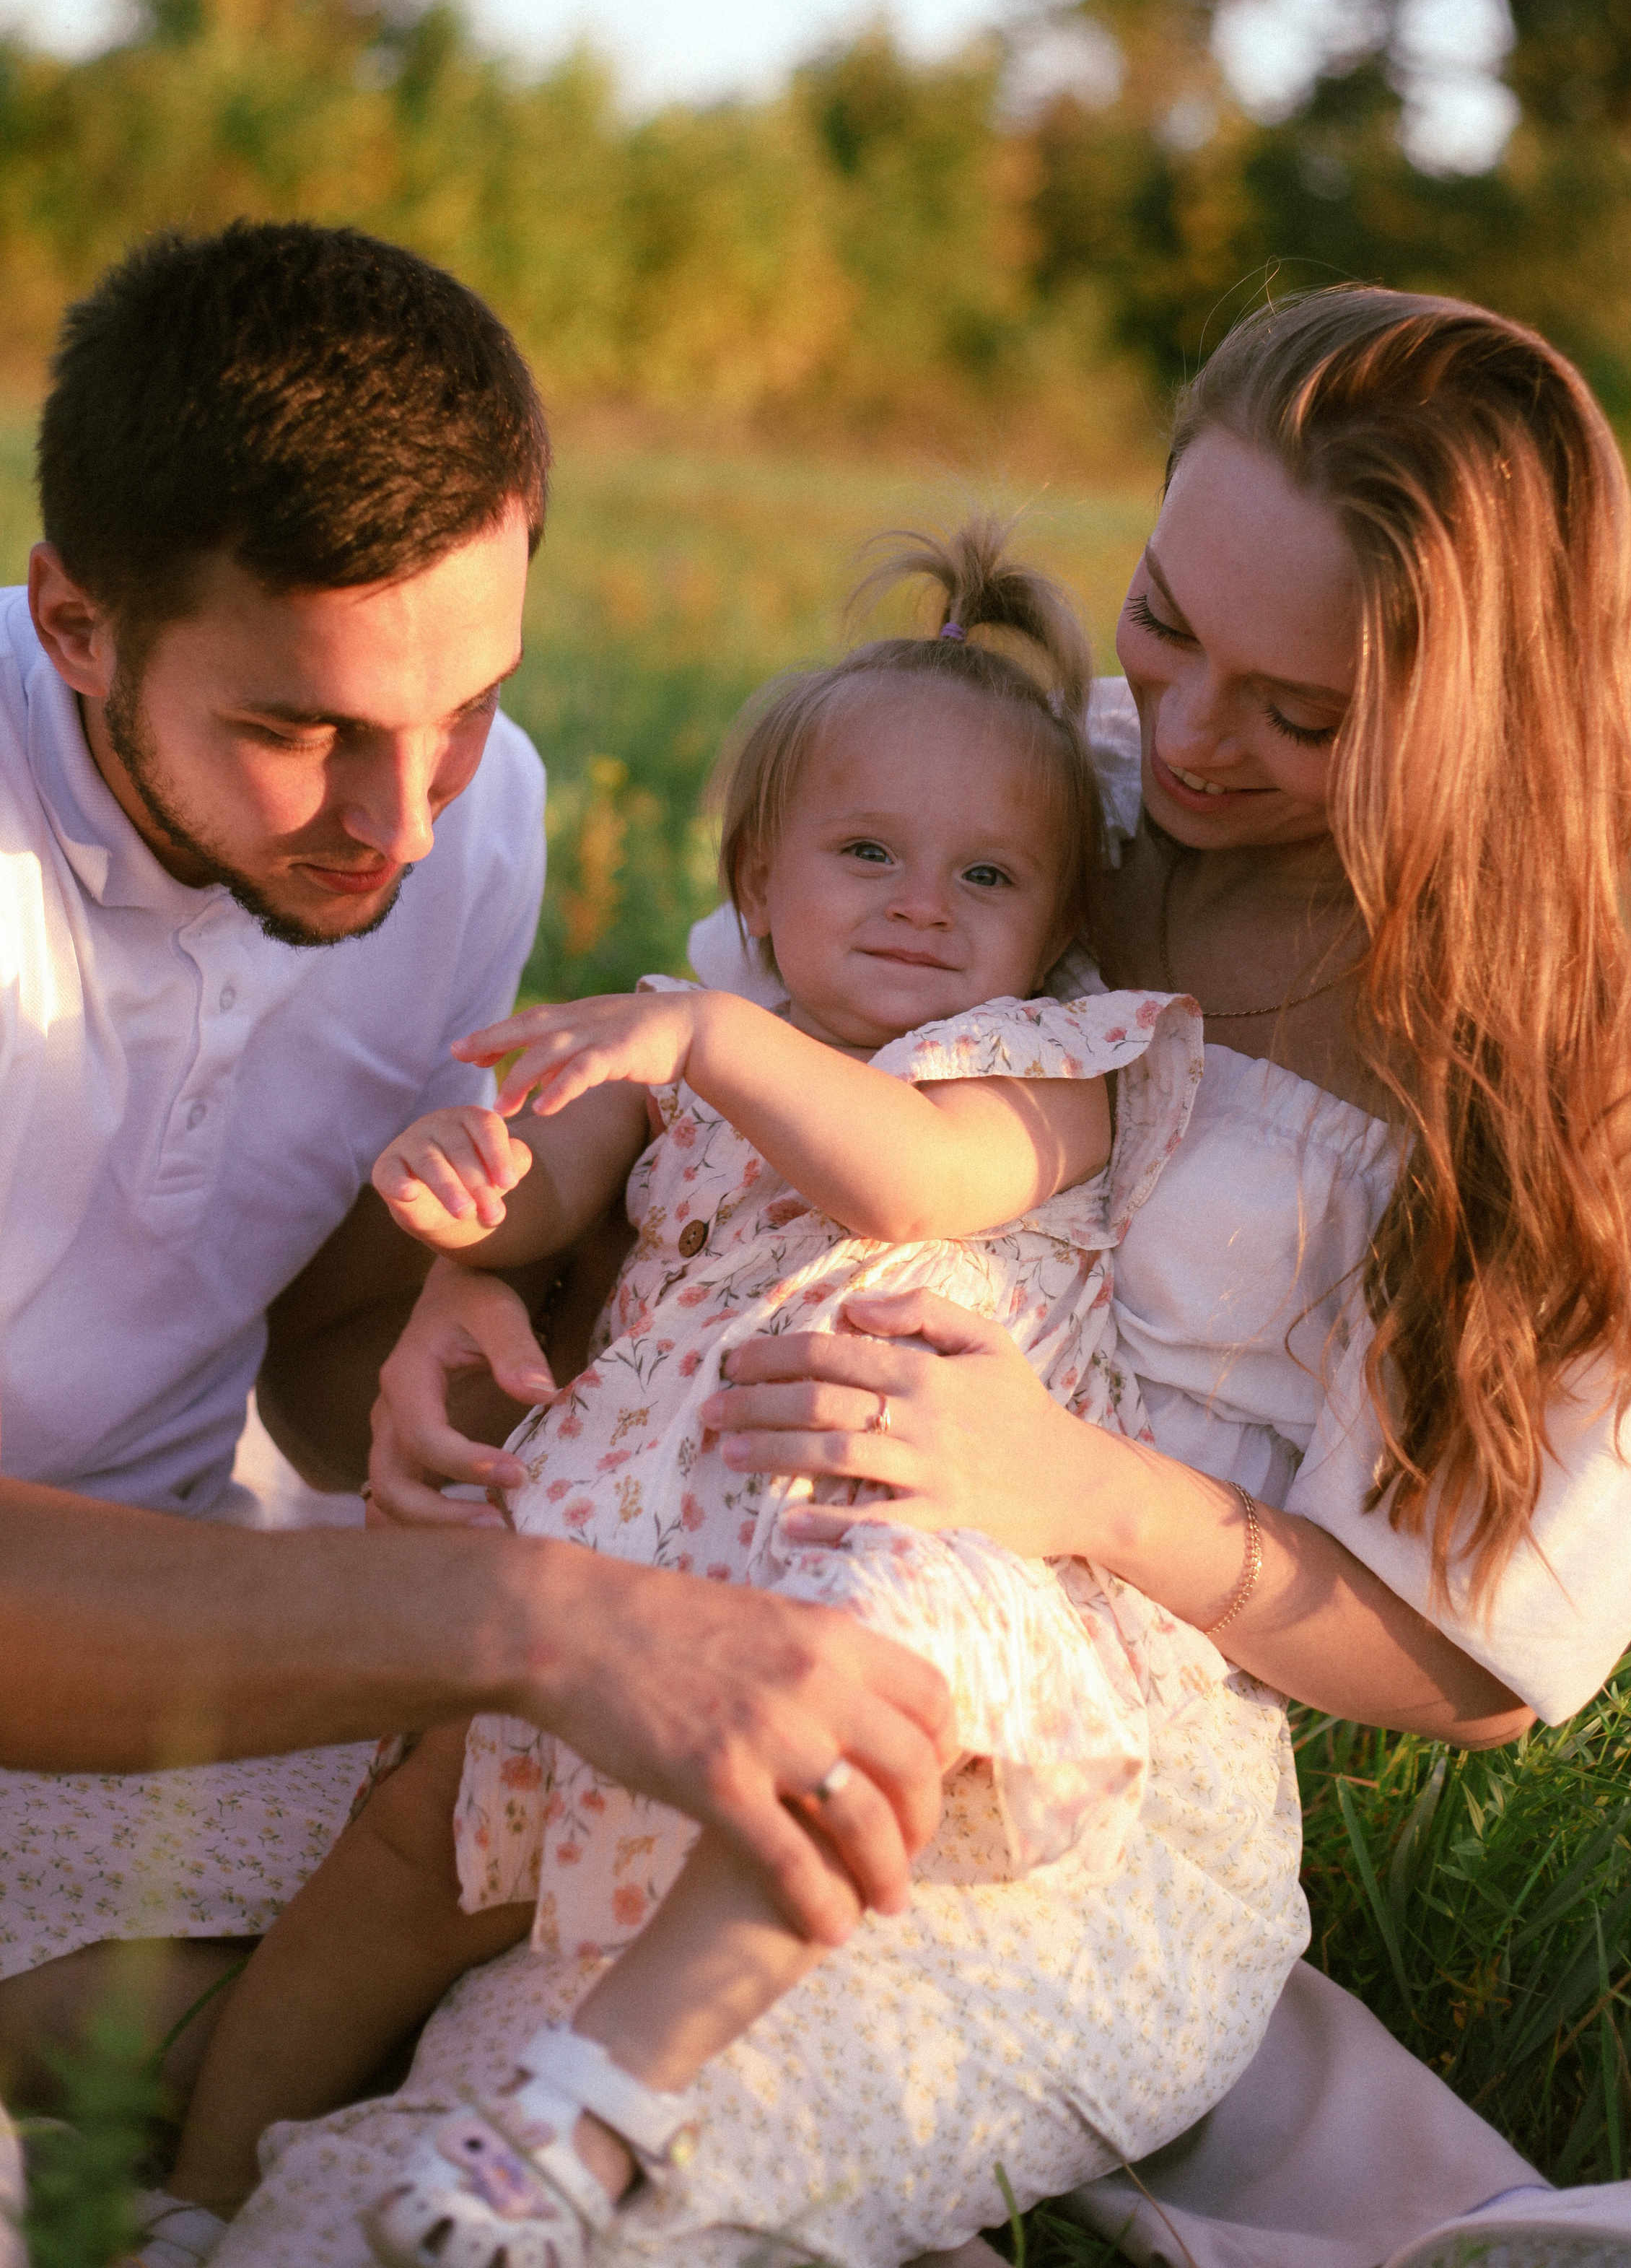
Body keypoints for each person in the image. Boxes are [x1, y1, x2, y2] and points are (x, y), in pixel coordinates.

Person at [302, 288, 1631, 2268]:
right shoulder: (1039, 795)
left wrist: (1077, 1492)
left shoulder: (1494, 1066)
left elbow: (1472, 1662)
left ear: (1469, 726)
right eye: (1169, 623)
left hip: (1062, 1748)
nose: (1191, 737)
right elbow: (711, 1062)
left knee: (524, 2169)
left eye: (1302, 715)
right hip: (681, 1559)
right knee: (243, 1896)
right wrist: (488, 1279)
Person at [148, 528, 1303, 2268]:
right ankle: (189, 2186)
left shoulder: (1044, 1068)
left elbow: (906, 1184)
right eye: (865, 853)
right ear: (758, 886)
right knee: (405, 1847)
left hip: (866, 1516)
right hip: (616, 1532)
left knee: (834, 1755)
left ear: (1058, 926)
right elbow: (548, 1198)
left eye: (988, 877)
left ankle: (586, 2115)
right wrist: (465, 1184)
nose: (924, 902)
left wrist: (698, 1034)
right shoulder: (676, 1046)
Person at [0, 224, 952, 2142]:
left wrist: (467, 1321)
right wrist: (551, 1625)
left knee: (682, 1947)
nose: (403, 819)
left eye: (466, 708)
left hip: (192, 1617)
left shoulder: (467, 819)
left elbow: (314, 1326)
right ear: (74, 621)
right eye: (299, 731)